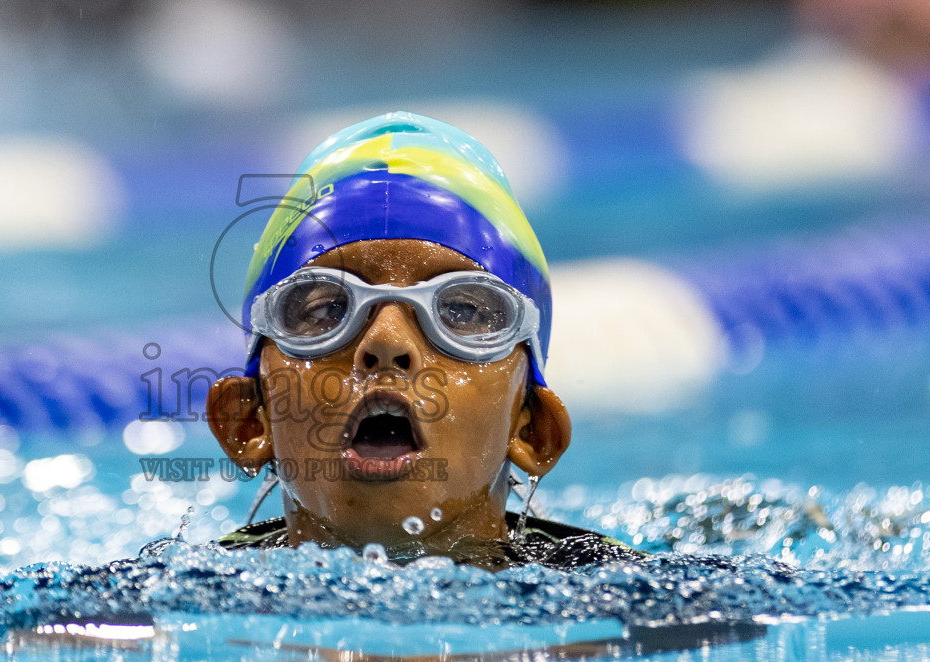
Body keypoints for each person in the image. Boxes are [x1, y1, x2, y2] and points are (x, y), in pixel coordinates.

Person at [204, 112, 639, 570]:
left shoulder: (638, 602)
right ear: (250, 422)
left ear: (532, 431)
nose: (386, 341)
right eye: (327, 310)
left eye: (461, 312)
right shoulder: (164, 604)